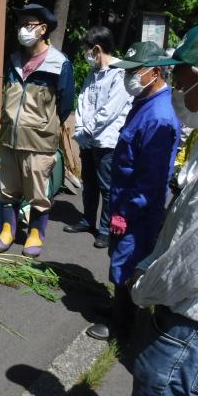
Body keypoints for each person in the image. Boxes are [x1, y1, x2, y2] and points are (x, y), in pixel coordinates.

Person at [122, 19, 198, 396]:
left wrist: (142, 289)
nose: (175, 87)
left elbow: (197, 264)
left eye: (181, 77)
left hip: (192, 328)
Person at [85, 41, 181, 341]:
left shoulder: (160, 116)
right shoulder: (145, 104)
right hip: (124, 200)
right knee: (119, 256)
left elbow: (151, 179)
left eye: (135, 71)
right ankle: (118, 309)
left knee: (126, 261)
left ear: (154, 72)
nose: (129, 78)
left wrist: (125, 214)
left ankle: (123, 325)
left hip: (137, 209)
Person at [0, 3, 74, 257]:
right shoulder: (14, 59)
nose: (22, 29)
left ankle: (35, 234)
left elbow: (65, 105)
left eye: (28, 24)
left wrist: (43, 124)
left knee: (38, 193)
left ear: (43, 29)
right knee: (8, 189)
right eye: (21, 24)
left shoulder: (59, 63)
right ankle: (8, 230)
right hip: (9, 138)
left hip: (39, 142)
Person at [64, 27, 132, 249]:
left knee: (107, 187)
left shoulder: (120, 72)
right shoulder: (93, 72)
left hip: (107, 141)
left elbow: (110, 110)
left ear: (96, 49)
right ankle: (87, 220)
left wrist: (87, 130)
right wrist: (81, 127)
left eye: (87, 50)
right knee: (89, 184)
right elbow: (83, 100)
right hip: (88, 138)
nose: (86, 54)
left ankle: (105, 230)